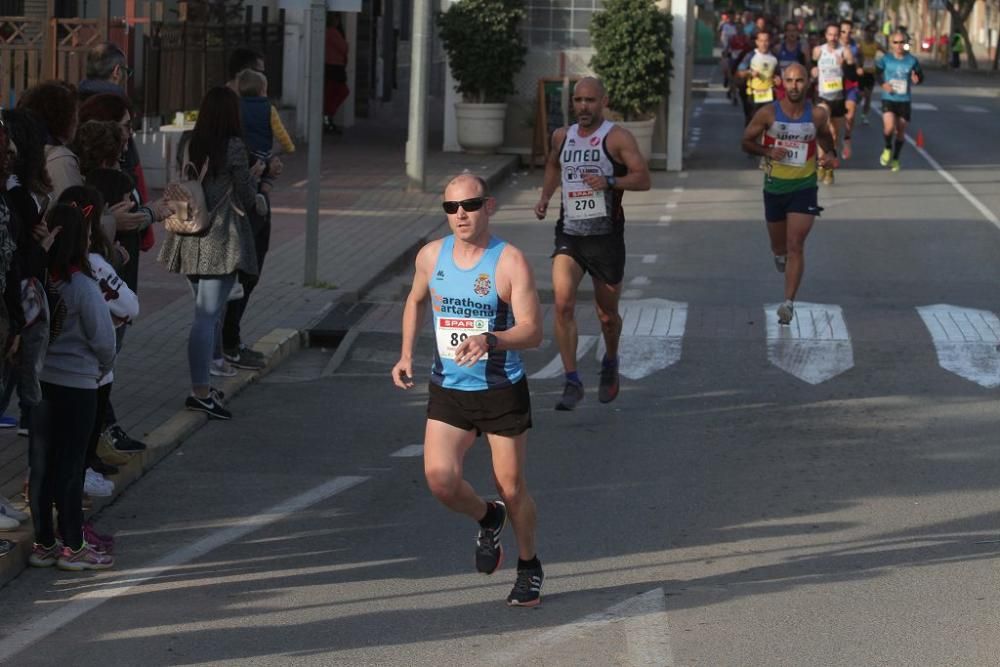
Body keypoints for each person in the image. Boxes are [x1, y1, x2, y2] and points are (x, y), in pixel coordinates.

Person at [391, 173, 545, 607]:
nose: (460, 215)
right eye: (451, 208)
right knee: (441, 481)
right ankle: (487, 515)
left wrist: (490, 339)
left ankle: (529, 565)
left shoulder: (509, 261)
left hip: (500, 390)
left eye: (470, 205)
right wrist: (405, 354)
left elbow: (533, 331)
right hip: (449, 389)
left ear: (488, 206)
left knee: (512, 486)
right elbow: (416, 299)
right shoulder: (430, 257)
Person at [533, 77, 651, 410]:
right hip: (569, 234)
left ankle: (610, 360)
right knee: (563, 304)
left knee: (606, 316)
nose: (583, 107)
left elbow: (643, 177)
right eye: (578, 100)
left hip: (606, 238)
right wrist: (544, 196)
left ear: (603, 102)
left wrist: (610, 181)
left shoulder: (617, 138)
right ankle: (571, 380)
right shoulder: (562, 136)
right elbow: (554, 164)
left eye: (590, 101)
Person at [158, 86, 262, 420]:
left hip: (187, 234)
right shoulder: (233, 146)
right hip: (219, 238)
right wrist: (258, 186)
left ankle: (203, 384)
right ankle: (200, 391)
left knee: (205, 313)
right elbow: (245, 195)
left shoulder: (189, 141)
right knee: (206, 316)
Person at [28, 204, 116, 571]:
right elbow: (104, 340)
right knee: (71, 464)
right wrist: (103, 369)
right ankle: (75, 545)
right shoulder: (82, 285)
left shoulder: (38, 279)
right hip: (79, 383)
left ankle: (44, 542)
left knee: (41, 465)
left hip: (40, 381)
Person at [741, 63, 837, 326]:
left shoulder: (816, 115)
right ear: (782, 82)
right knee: (780, 247)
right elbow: (745, 141)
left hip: (804, 188)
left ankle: (788, 303)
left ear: (808, 83)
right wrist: (767, 151)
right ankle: (778, 254)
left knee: (796, 245)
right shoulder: (768, 113)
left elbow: (826, 138)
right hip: (774, 188)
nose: (794, 86)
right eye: (790, 81)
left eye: (799, 81)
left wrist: (830, 156)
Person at [0, 109, 51, 439]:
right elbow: (13, 254)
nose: (9, 159)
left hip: (14, 297)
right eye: (5, 152)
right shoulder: (12, 194)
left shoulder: (13, 190)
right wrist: (41, 246)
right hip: (13, 295)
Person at [811, 23, 854, 185]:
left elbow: (853, 76)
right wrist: (812, 72)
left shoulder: (845, 51)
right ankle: (822, 162)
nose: (833, 38)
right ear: (826, 35)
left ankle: (828, 168)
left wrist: (845, 65)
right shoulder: (818, 51)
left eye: (836, 35)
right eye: (830, 34)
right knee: (825, 129)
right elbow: (811, 67)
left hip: (838, 98)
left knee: (834, 135)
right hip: (822, 97)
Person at [876, 31, 924, 172]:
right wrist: (883, 84)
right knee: (889, 127)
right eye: (895, 42)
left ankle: (896, 159)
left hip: (904, 100)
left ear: (906, 44)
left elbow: (920, 76)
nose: (898, 45)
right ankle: (887, 148)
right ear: (891, 44)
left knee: (901, 131)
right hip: (889, 98)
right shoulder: (886, 59)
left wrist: (918, 79)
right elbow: (877, 73)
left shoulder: (912, 60)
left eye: (901, 42)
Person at [236, 68, 273, 217]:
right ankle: (263, 192)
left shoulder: (238, 106)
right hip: (264, 151)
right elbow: (280, 131)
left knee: (250, 174)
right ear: (262, 89)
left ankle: (255, 195)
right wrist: (288, 147)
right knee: (268, 174)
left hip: (247, 152)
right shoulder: (268, 107)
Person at [738, 30, 779, 126]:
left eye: (766, 41)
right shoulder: (750, 56)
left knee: (769, 123)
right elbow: (739, 73)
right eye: (761, 41)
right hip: (753, 96)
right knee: (752, 123)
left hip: (769, 96)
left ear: (770, 42)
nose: (764, 44)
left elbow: (777, 74)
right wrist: (749, 72)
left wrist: (777, 79)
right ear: (757, 42)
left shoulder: (774, 57)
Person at [838, 20, 862, 160]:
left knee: (850, 115)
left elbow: (859, 62)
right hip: (834, 84)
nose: (846, 34)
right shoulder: (834, 45)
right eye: (843, 31)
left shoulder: (855, 46)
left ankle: (847, 138)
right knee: (833, 122)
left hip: (850, 84)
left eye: (849, 31)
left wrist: (858, 68)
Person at [324, 15, 351, 134]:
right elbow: (344, 48)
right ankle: (328, 115)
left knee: (332, 93)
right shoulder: (332, 32)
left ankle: (328, 117)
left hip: (332, 67)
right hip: (335, 67)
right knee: (340, 91)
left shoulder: (330, 32)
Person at [857, 25, 884, 123]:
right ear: (865, 32)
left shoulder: (876, 44)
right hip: (861, 73)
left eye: (873, 33)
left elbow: (887, 54)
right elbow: (855, 55)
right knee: (860, 95)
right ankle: (854, 105)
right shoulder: (860, 43)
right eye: (869, 32)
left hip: (871, 73)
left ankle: (864, 115)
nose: (871, 34)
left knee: (868, 96)